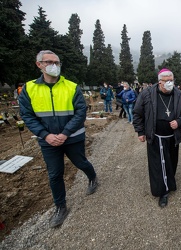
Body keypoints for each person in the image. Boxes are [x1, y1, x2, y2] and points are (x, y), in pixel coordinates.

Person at [19, 50, 98, 228]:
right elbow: (27, 115)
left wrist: (64, 134)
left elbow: (80, 112)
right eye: (49, 62)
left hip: (72, 138)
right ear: (39, 64)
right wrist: (46, 135)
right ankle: (60, 207)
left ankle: (92, 177)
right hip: (48, 141)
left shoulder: (71, 86)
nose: (54, 65)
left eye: (57, 62)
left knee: (81, 163)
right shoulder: (29, 88)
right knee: (55, 174)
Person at [133, 68, 181, 208]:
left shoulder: (180, 95)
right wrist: (140, 132)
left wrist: (179, 121)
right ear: (160, 82)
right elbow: (137, 113)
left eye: (172, 80)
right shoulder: (147, 93)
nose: (170, 83)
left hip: (173, 136)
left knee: (171, 162)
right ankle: (162, 192)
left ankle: (169, 183)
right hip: (156, 136)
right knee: (158, 165)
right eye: (166, 81)